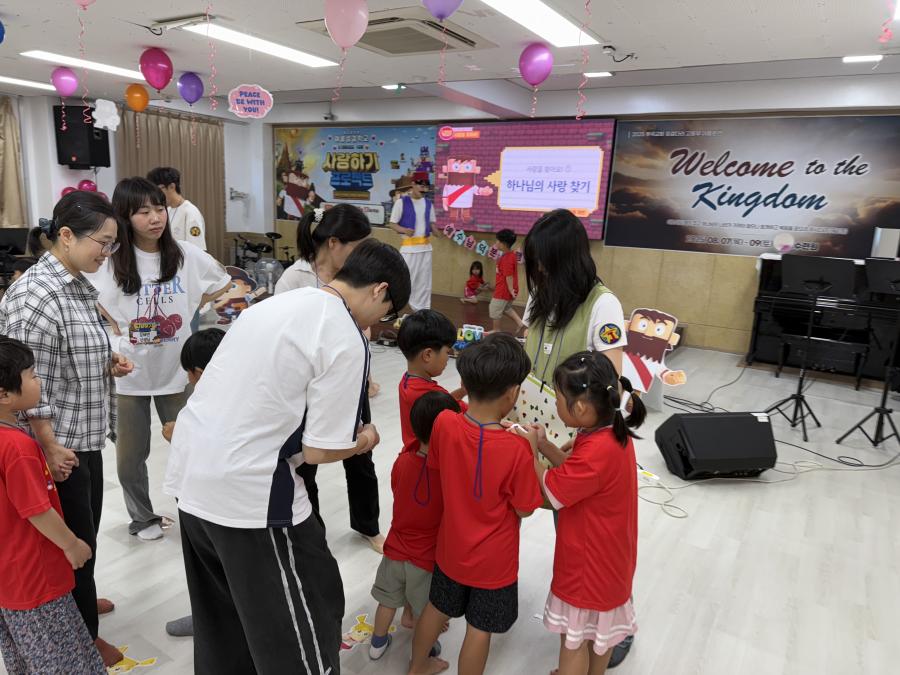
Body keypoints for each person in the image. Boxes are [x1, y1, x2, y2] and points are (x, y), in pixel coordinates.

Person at [164, 238, 410, 675]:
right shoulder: (343, 332)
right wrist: (366, 438)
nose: (379, 323)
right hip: (251, 496)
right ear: (379, 290)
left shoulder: (274, 304)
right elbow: (320, 448)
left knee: (223, 628)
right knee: (305, 622)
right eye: (387, 313)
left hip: (190, 478)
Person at [0, 190, 134, 667]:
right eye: (103, 242)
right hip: (57, 444)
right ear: (65, 236)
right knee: (70, 541)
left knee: (85, 534)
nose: (107, 253)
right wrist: (50, 445)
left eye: (113, 244)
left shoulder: (75, 283)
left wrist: (107, 361)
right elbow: (25, 379)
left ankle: (82, 597)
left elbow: (66, 356)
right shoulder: (36, 295)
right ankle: (81, 635)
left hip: (82, 433)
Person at [521, 209, 634, 668]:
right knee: (570, 534)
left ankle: (605, 626)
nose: (538, 272)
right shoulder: (541, 297)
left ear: (568, 260)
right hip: (538, 429)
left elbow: (612, 381)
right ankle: (588, 620)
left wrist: (566, 436)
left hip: (578, 443)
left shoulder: (603, 306)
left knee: (592, 539)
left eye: (545, 263)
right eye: (534, 263)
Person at [89, 177, 231, 542]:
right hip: (128, 373)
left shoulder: (184, 254)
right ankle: (142, 518)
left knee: (192, 445)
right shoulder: (109, 261)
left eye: (159, 209)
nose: (155, 218)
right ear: (124, 216)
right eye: (143, 212)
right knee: (130, 458)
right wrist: (116, 334)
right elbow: (95, 304)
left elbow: (222, 282)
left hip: (177, 370)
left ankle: (200, 512)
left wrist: (189, 309)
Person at [409, 334, 543, 675]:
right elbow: (526, 508)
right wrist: (531, 449)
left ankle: (416, 667)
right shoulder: (517, 449)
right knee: (479, 630)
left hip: (450, 549)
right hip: (494, 565)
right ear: (513, 393)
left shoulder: (443, 422)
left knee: (436, 608)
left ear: (466, 384)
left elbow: (438, 466)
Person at [515, 351, 643, 675]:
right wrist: (545, 444)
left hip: (587, 567)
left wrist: (528, 449)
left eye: (559, 399)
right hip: (613, 563)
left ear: (581, 407)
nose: (556, 405)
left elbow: (552, 490)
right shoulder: (611, 433)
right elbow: (578, 477)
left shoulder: (595, 450)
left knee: (572, 642)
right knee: (599, 636)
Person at [274, 205, 386, 551]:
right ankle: (312, 532)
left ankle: (368, 526)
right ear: (334, 243)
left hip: (350, 382)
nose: (363, 254)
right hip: (306, 389)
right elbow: (282, 334)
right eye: (358, 246)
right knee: (306, 463)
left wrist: (367, 378)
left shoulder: (357, 277)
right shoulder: (295, 278)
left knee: (361, 459)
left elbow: (361, 333)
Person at [0, 337, 106, 675]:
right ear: (4, 394)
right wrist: (72, 544)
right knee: (61, 657)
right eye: (32, 375)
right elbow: (36, 510)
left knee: (24, 655)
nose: (39, 381)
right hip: (36, 575)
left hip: (9, 577)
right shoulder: (17, 447)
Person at [368, 391, 460, 662]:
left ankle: (377, 643)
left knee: (387, 600)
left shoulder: (402, 461)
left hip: (394, 549)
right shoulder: (448, 473)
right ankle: (426, 648)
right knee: (425, 610)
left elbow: (397, 489)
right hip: (425, 558)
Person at [160, 328, 226, 639]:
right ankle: (213, 616)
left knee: (205, 564)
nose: (188, 379)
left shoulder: (205, 404)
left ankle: (209, 620)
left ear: (197, 372)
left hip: (199, 502)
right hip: (221, 501)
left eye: (188, 372)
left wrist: (175, 434)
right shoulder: (245, 391)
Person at [397, 310, 468, 453]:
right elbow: (472, 416)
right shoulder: (427, 393)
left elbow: (447, 401)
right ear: (428, 354)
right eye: (447, 352)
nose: (448, 358)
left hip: (413, 453)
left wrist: (462, 391)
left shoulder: (407, 381)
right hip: (429, 460)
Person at [387, 176, 437, 318]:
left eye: (426, 186)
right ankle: (390, 309)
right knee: (403, 281)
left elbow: (432, 225)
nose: (423, 188)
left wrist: (439, 231)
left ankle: (423, 312)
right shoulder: (401, 202)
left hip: (426, 249)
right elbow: (392, 224)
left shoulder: (428, 204)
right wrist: (404, 230)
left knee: (424, 283)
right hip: (409, 249)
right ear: (413, 184)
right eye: (421, 185)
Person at [147, 167, 207, 251]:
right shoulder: (167, 210)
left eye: (158, 190)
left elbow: (197, 250)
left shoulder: (190, 212)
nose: (156, 194)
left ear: (172, 187)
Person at [490, 229, 525, 333]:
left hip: (503, 290)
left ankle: (496, 330)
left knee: (495, 308)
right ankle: (520, 323)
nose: (496, 242)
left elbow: (508, 276)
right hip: (505, 289)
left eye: (497, 240)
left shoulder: (507, 258)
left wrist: (510, 290)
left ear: (503, 243)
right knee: (506, 308)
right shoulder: (510, 255)